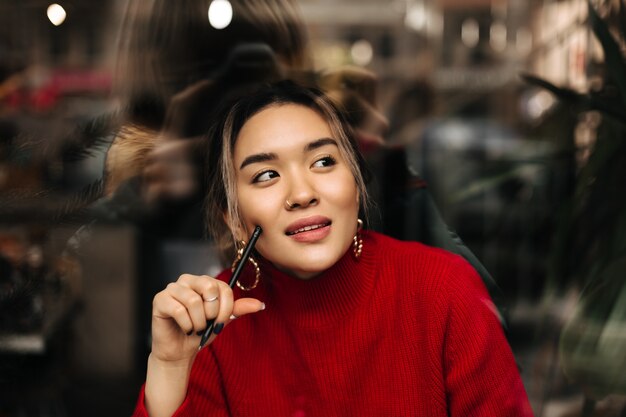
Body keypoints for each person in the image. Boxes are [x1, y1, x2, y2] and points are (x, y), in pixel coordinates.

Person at [131, 81, 533, 417]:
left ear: (356, 184)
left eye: (323, 162)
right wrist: (170, 366)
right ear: (233, 218)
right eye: (266, 175)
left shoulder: (443, 289)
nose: (302, 194)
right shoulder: (213, 325)